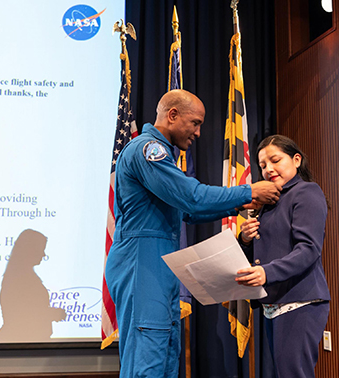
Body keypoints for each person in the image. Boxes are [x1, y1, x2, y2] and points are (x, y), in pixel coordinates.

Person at [105, 89, 281, 377]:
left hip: (156, 266)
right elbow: (192, 197)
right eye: (195, 122)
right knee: (147, 363)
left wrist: (238, 204)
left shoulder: (161, 156)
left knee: (165, 357)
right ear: (172, 115)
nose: (198, 132)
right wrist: (249, 190)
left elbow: (186, 212)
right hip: (141, 265)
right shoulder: (148, 151)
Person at [236, 135, 330, 378]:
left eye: (275, 160)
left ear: (296, 160)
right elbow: (262, 252)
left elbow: (308, 249)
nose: (269, 169)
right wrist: (245, 239)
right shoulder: (268, 202)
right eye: (263, 165)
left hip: (300, 300)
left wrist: (267, 273)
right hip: (273, 302)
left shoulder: (306, 192)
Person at [0, 229, 67, 341]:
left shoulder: (22, 276)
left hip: (29, 342)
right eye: (41, 249)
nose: (43, 254)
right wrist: (52, 314)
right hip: (20, 344)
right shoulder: (18, 279)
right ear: (30, 250)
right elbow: (22, 315)